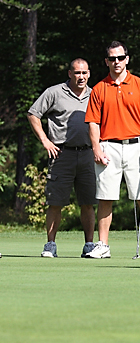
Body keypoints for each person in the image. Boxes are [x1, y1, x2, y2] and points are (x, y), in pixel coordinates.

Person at [84, 41, 140, 259]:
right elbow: (93, 122)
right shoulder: (99, 88)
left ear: (127, 59)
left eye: (120, 58)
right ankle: (103, 245)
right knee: (105, 197)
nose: (116, 62)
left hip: (137, 147)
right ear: (106, 61)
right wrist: (96, 147)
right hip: (108, 147)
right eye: (112, 59)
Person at [27, 58, 97, 258]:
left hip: (87, 154)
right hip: (61, 154)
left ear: (89, 74)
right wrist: (45, 140)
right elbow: (33, 114)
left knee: (88, 202)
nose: (81, 77)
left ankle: (90, 246)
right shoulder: (54, 92)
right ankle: (50, 244)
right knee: (55, 201)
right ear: (69, 73)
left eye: (84, 73)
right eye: (77, 73)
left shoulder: (95, 95)